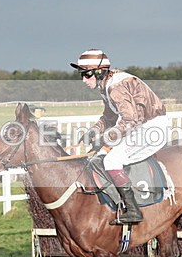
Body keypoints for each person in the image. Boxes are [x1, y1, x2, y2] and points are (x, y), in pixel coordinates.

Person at [71, 49, 169, 224]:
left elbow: (130, 120)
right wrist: (94, 131)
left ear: (99, 72)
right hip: (141, 126)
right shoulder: (106, 85)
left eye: (86, 75)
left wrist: (105, 138)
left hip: (151, 127)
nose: (83, 80)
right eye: (82, 75)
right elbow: (109, 116)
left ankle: (133, 210)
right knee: (98, 156)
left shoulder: (115, 86)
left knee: (111, 161)